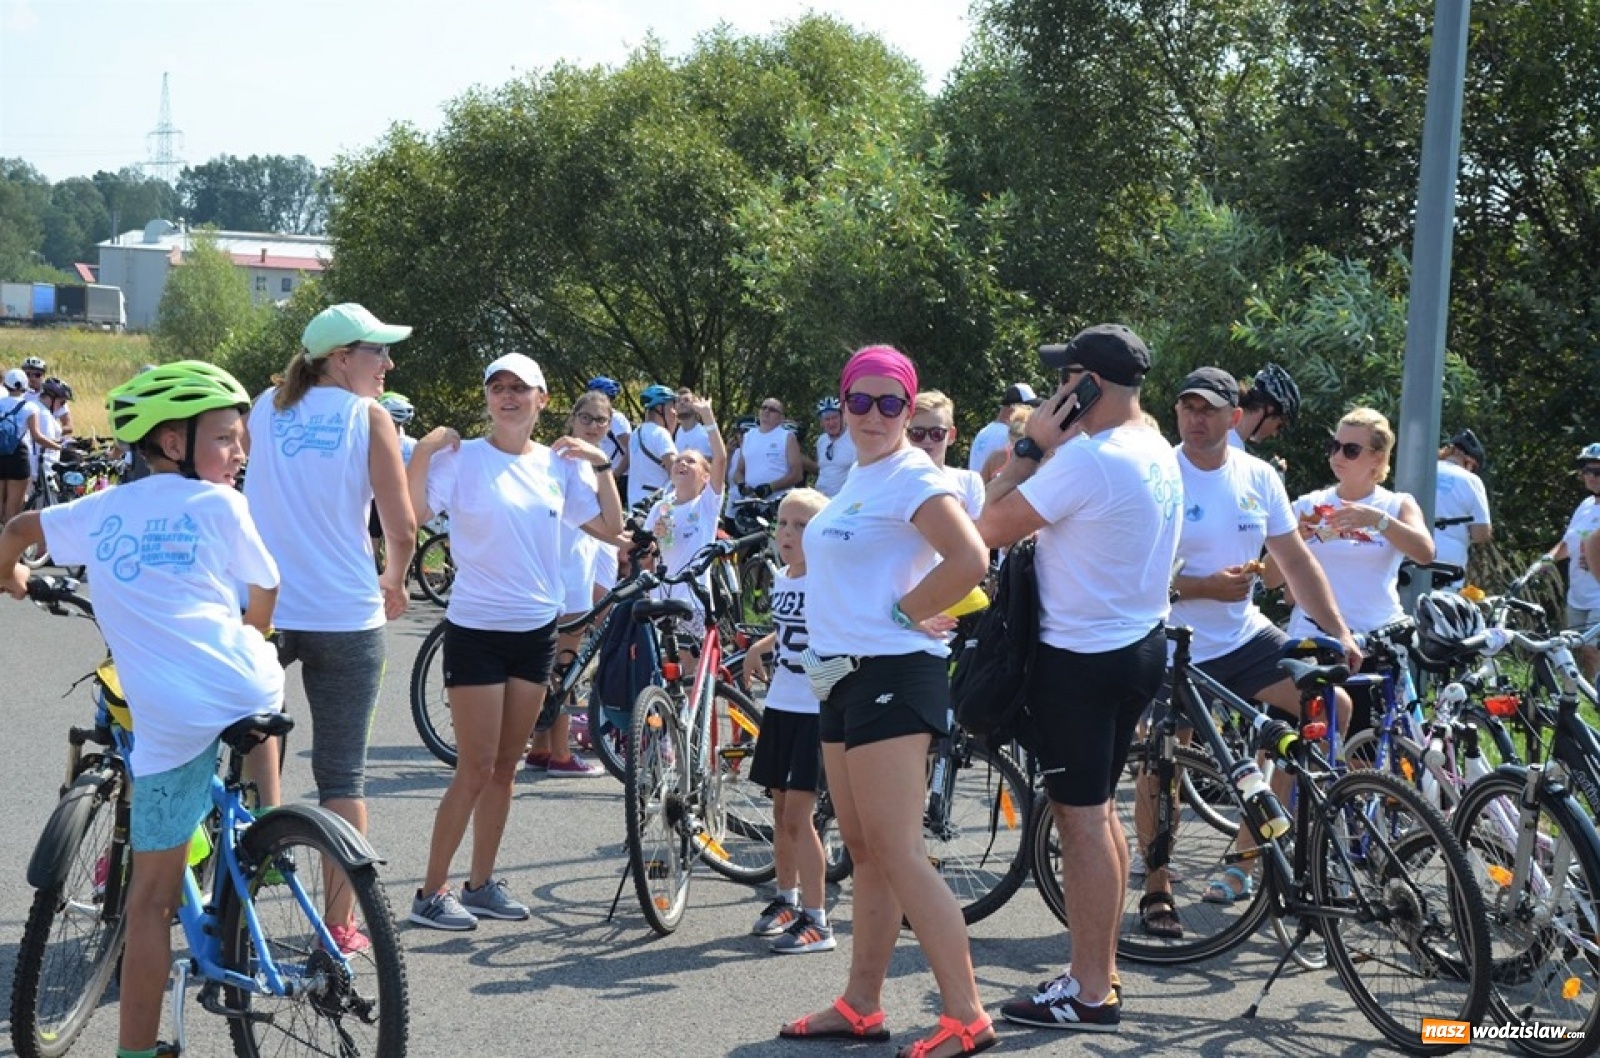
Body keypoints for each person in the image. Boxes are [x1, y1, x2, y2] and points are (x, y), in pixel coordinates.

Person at [1, 360, 285, 1058]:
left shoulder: (101, 510)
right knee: (246, 703)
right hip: (251, 684)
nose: (239, 452)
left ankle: (134, 1053)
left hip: (172, 713)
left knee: (149, 903)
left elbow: (18, 527)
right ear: (173, 441)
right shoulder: (223, 506)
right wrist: (252, 633)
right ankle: (266, 833)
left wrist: (12, 577)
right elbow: (266, 589)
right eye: (226, 438)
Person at [779, 346, 992, 1057]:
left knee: (900, 852)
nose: (874, 414)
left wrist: (906, 611)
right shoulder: (856, 477)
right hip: (839, 677)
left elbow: (971, 559)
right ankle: (861, 1004)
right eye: (860, 401)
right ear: (842, 404)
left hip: (893, 673)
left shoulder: (912, 475)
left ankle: (966, 1014)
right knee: (866, 851)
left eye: (891, 402)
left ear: (908, 407)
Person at [975, 324, 1181, 1033]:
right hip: (1137, 647)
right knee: (1100, 813)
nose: (1056, 391)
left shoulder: (1089, 460)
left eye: (1065, 379)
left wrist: (1030, 446)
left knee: (1082, 819)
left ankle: (1090, 992)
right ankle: (1100, 970)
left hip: (1080, 661)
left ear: (1089, 386)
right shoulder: (1154, 447)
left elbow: (985, 525)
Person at [407, 353, 622, 930]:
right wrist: (424, 451)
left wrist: (601, 465)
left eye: (519, 389)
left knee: (506, 768)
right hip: (476, 629)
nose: (507, 396)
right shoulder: (463, 458)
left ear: (541, 400)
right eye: (497, 387)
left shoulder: (558, 464)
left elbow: (610, 529)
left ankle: (480, 885)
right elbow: (412, 513)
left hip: (536, 632)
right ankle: (430, 891)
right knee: (474, 767)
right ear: (487, 398)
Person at [1146, 367, 1359, 916]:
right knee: (1163, 765)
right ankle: (1157, 884)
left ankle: (1245, 856)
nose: (1196, 419)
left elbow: (1297, 561)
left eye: (1209, 410)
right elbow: (1131, 573)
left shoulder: (1258, 476)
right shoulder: (1156, 472)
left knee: (1330, 705)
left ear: (1234, 417)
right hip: (1172, 643)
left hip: (1242, 635)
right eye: (1188, 407)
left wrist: (1338, 630)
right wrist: (1202, 587)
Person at [242, 302, 417, 938]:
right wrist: (394, 577)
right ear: (342, 359)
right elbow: (400, 526)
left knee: (253, 728)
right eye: (379, 352)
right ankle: (338, 927)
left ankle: (264, 834)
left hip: (264, 606)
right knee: (342, 777)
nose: (388, 364)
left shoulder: (265, 407)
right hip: (345, 612)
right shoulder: (368, 417)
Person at [742, 488, 835, 953]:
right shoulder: (783, 578)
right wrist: (759, 648)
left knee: (800, 817)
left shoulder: (828, 579)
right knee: (780, 812)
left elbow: (839, 639)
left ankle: (818, 919)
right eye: (783, 523)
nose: (788, 533)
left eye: (801, 526)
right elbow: (788, 631)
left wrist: (824, 681)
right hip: (780, 705)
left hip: (814, 712)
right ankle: (787, 897)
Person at [1268, 406, 1435, 644]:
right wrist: (1295, 539)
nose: (1337, 457)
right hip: (1315, 635)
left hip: (1379, 636)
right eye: (1334, 446)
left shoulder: (1396, 505)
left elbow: (1425, 554)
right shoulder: (1307, 505)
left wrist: (1378, 520)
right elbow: (1270, 579)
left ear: (1378, 457)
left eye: (1351, 450)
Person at [526, 388, 622, 778]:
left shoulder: (581, 460)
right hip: (564, 574)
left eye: (601, 420)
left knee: (555, 664)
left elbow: (604, 526)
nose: (593, 426)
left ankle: (541, 748)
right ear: (573, 417)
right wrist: (603, 465)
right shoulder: (571, 460)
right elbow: (606, 524)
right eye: (587, 418)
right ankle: (562, 755)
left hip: (570, 569)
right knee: (566, 664)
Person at [645, 396, 727, 616]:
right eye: (679, 460)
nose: (682, 463)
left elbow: (720, 458)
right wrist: (652, 543)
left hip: (692, 603)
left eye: (691, 462)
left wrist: (707, 416)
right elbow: (644, 557)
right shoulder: (661, 507)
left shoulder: (706, 505)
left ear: (706, 476)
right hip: (660, 601)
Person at [1535, 443, 1600, 682]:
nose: (1591, 476)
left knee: (1592, 650)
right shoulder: (1585, 506)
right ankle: (1586, 696)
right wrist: (1547, 560)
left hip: (1598, 594)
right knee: (1578, 651)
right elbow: (1567, 543)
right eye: (1587, 470)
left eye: (1598, 472)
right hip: (1578, 594)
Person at [908, 390, 984, 519]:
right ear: (905, 434)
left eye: (937, 433)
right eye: (917, 433)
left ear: (951, 436)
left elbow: (978, 529)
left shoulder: (969, 482)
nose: (927, 440)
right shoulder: (893, 481)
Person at [1432, 428, 1492, 586]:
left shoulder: (1422, 470)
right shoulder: (1472, 481)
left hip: (1409, 554)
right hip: (1448, 564)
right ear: (1470, 462)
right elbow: (1481, 533)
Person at [0, 368, 58, 526]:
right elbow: (37, 436)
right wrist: (58, 447)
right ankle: (9, 541)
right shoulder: (30, 407)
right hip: (18, 456)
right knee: (12, 510)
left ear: (6, 384)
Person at [735, 396, 803, 500]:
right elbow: (739, 471)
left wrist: (770, 488)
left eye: (772, 410)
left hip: (778, 501)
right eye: (764, 407)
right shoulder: (748, 436)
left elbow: (797, 475)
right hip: (751, 501)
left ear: (781, 418)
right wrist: (741, 485)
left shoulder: (787, 437)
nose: (766, 411)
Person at [968, 382, 1040, 478]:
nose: (1031, 411)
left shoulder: (983, 432)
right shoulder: (1010, 435)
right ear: (1014, 408)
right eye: (1028, 407)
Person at [626, 384, 677, 508]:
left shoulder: (636, 433)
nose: (674, 412)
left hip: (635, 502)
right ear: (660, 408)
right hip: (655, 506)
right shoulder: (660, 433)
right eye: (671, 406)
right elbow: (676, 472)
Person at [1231, 363, 1300, 451]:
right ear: (1270, 409)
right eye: (1279, 425)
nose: (1274, 433)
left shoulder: (1223, 431)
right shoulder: (1229, 446)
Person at [586, 376, 632, 497]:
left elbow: (631, 449)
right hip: (605, 475)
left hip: (621, 478)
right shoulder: (599, 419)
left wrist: (616, 474)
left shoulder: (615, 418)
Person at [810, 397, 855, 498]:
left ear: (842, 417)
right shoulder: (821, 441)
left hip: (843, 498)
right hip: (820, 497)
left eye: (834, 418)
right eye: (827, 419)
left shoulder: (853, 439)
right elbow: (823, 470)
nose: (831, 423)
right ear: (821, 422)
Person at [673, 387, 715, 458]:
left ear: (695, 405)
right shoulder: (679, 431)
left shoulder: (703, 435)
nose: (682, 403)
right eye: (678, 400)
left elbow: (707, 462)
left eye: (686, 400)